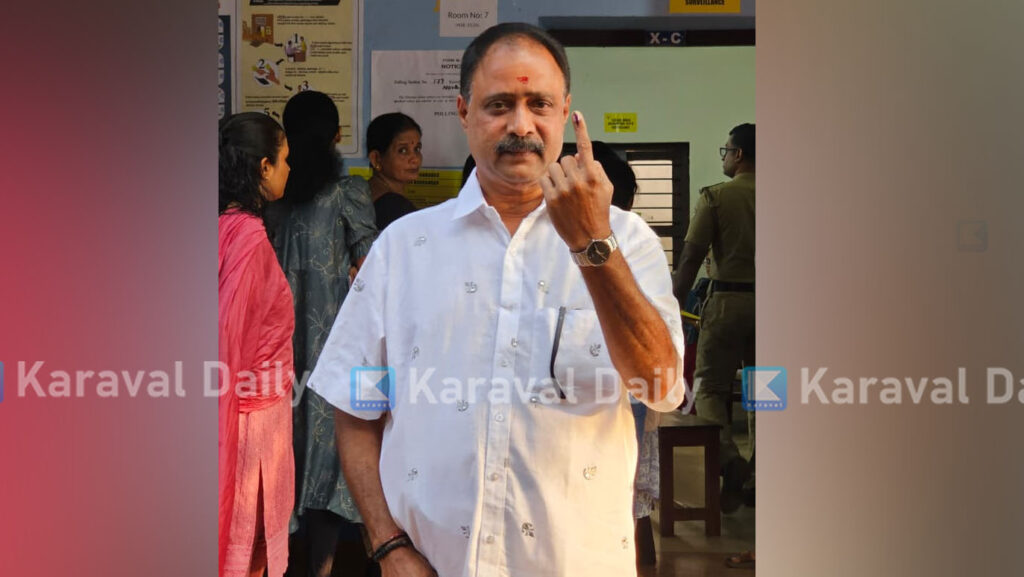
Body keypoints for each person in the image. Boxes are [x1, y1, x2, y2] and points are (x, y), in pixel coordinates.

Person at [307, 23, 685, 577]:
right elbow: (354, 407)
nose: (521, 126)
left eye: (539, 104)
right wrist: (387, 547)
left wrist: (591, 245)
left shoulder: (627, 241)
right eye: (499, 105)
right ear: (464, 112)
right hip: (432, 565)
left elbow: (661, 388)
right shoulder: (404, 248)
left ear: (566, 111)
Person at [264, 91, 378, 577]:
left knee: (282, 454)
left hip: (275, 350)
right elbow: (370, 269)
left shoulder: (270, 197)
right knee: (331, 462)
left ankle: (278, 563)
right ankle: (322, 568)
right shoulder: (348, 193)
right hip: (335, 350)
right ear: (337, 137)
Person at [218, 112, 296, 577]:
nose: (289, 169)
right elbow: (228, 341)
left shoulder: (223, 224)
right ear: (264, 167)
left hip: (250, 412)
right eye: (284, 160)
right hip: (251, 424)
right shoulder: (247, 236)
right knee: (247, 549)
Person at [672, 123, 756, 514]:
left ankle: (729, 461)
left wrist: (673, 303)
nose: (724, 157)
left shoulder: (717, 197)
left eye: (726, 150)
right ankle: (759, 472)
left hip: (727, 303)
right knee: (766, 391)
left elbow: (691, 256)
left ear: (738, 154)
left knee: (709, 388)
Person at [365, 112, 422, 230]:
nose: (415, 159)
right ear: (376, 158)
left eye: (417, 149)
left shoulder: (362, 191)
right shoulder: (395, 208)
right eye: (403, 151)